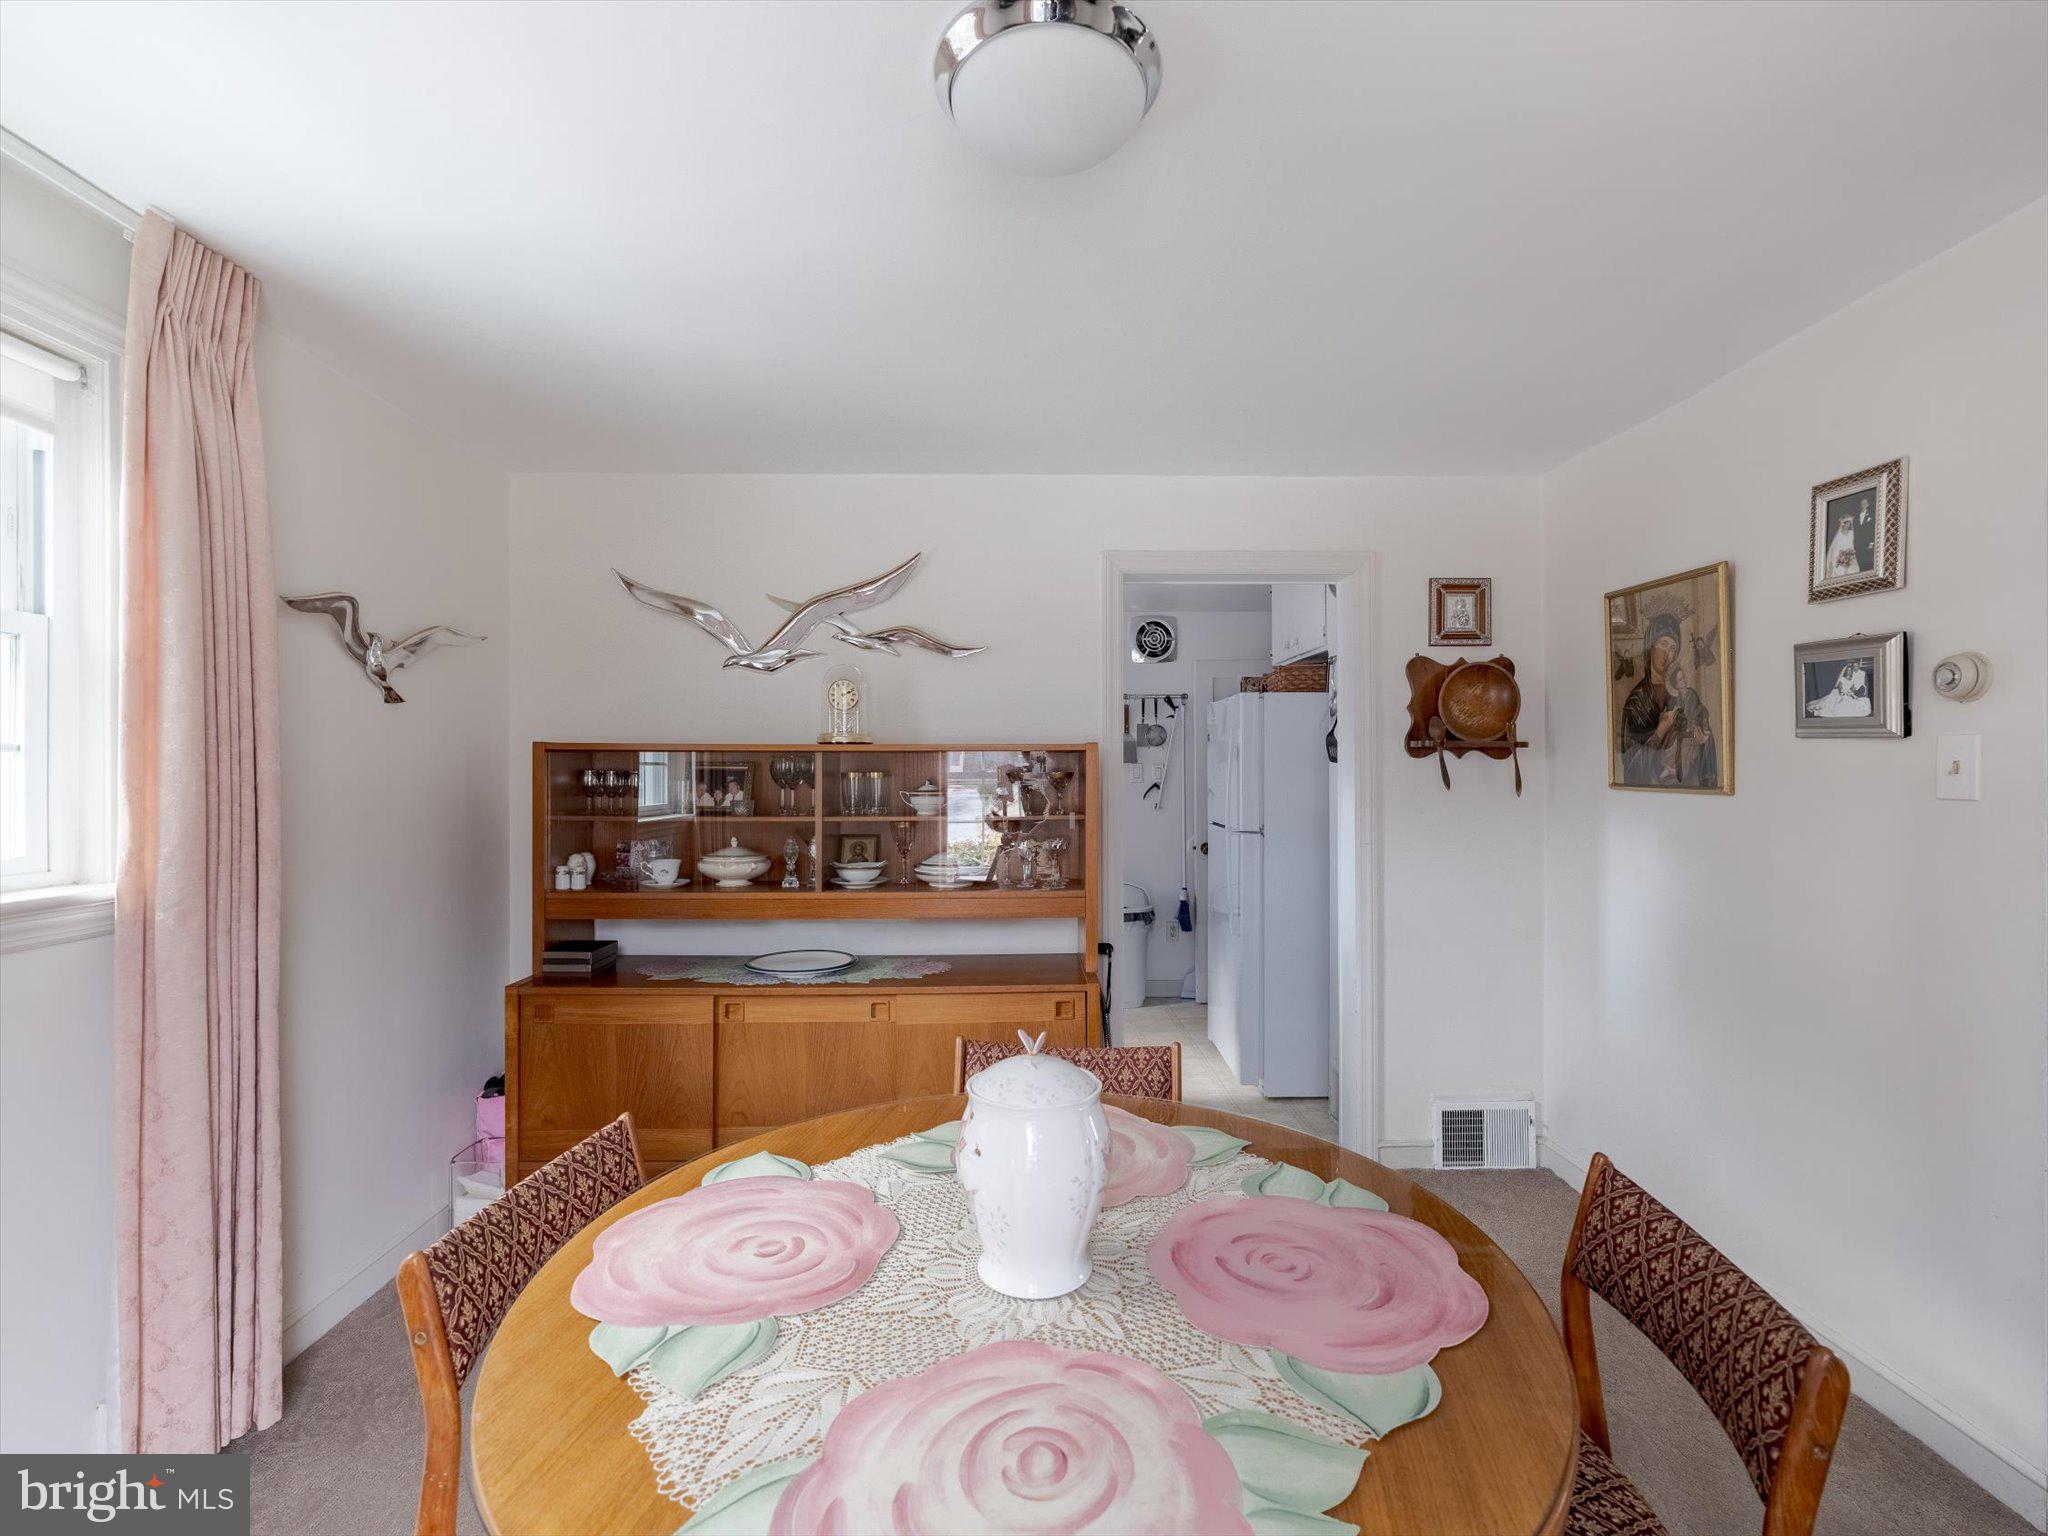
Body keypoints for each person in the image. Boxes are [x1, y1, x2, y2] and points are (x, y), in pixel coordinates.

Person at [1619, 614, 1718, 787]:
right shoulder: (1636, 702)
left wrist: (1703, 738)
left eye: (1673, 648)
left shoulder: (1677, 695)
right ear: (1650, 647)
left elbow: (1697, 725)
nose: (1667, 653)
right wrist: (1660, 732)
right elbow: (1631, 765)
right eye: (1663, 644)